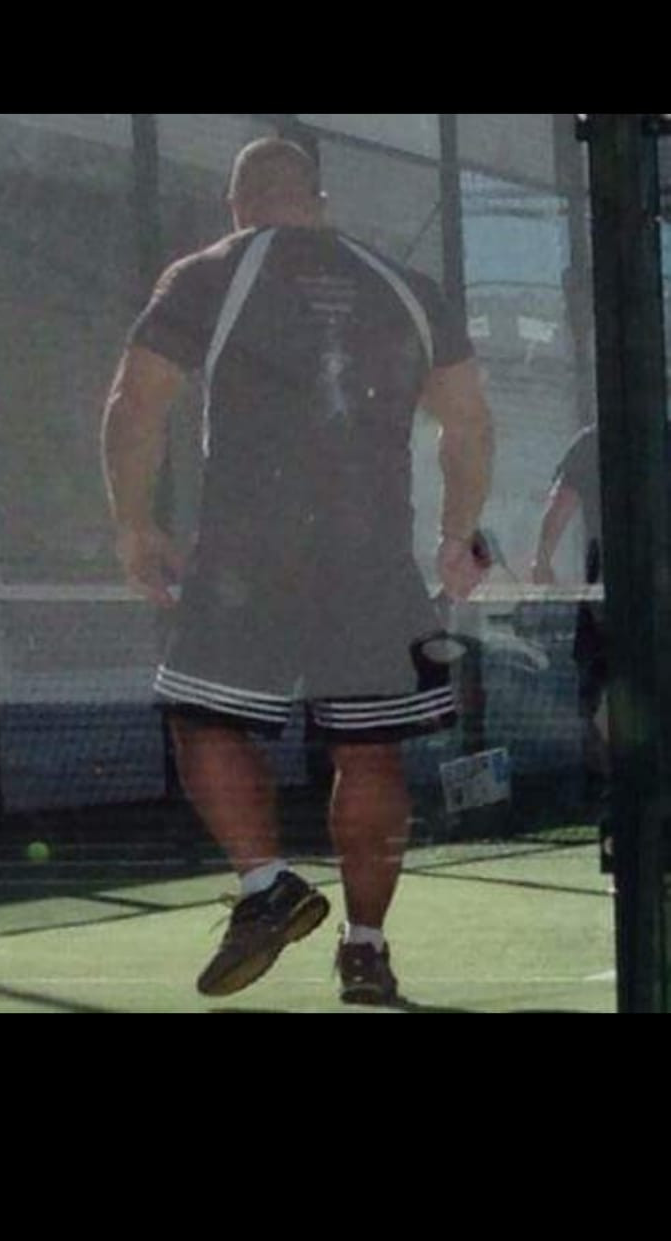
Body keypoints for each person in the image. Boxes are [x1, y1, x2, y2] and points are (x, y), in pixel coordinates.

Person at [101, 137, 493, 1005]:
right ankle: (366, 949)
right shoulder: (405, 286)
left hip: (249, 555)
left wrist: (133, 526)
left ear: (238, 203)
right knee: (370, 749)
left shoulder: (211, 271)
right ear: (317, 200)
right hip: (371, 556)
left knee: (201, 718)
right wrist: (455, 532)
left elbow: (136, 403)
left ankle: (266, 884)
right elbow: (466, 421)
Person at [530, 423, 609, 804]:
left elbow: (561, 504)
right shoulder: (592, 443)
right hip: (608, 596)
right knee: (599, 690)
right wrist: (542, 559)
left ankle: (607, 791)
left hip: (608, 596)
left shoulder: (592, 441)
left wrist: (542, 559)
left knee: (597, 692)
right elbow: (562, 502)